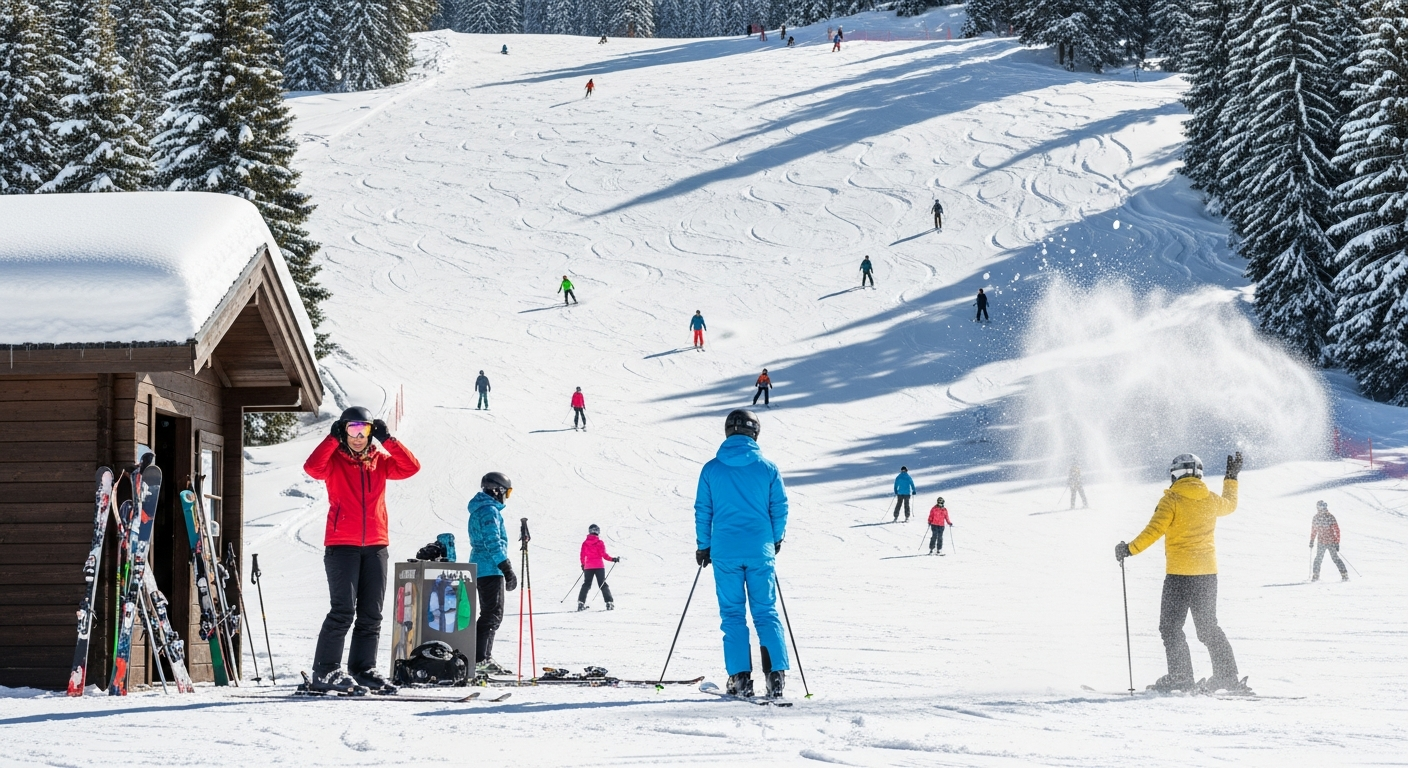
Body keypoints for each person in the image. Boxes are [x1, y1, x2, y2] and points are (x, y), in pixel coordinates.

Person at [304, 407, 421, 693]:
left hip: (376, 545)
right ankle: (326, 671)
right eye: (352, 430)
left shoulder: (379, 461)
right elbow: (311, 468)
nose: (358, 437)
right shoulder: (333, 460)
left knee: (372, 613)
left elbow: (411, 467)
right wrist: (330, 440)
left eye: (364, 431)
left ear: (372, 433)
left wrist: (389, 440)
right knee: (343, 611)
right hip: (341, 545)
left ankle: (363, 668)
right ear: (343, 431)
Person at [1116, 452, 1248, 694]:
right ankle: (1227, 677)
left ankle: (1181, 677)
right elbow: (1230, 505)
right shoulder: (1209, 499)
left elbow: (1153, 530)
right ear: (1198, 474)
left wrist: (1129, 549)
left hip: (1179, 576)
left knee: (1170, 628)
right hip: (1207, 575)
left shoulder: (1172, 500)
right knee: (1208, 628)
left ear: (1175, 474)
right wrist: (1231, 478)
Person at [695, 409, 790, 698]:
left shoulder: (712, 469)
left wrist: (704, 545)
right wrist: (774, 541)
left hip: (725, 552)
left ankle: (740, 678)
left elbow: (704, 510)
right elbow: (780, 507)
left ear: (728, 432)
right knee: (765, 611)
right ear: (755, 433)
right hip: (760, 551)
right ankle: (775, 677)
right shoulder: (768, 468)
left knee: (733, 615)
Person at [468, 472, 517, 675]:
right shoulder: (489, 511)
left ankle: (479, 658)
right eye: (507, 492)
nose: (506, 497)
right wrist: (506, 567)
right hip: (490, 568)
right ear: (497, 490)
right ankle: (481, 659)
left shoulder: (480, 509)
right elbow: (492, 541)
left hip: (481, 567)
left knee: (488, 614)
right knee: (492, 615)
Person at [577, 524, 620, 610]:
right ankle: (609, 603)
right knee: (602, 584)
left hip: (588, 567)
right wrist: (613, 559)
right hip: (599, 566)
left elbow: (582, 555)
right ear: (597, 531)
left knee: (586, 584)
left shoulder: (585, 543)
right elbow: (603, 555)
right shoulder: (599, 543)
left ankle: (581, 603)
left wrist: (583, 565)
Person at [1309, 501, 1348, 582]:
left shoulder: (1330, 517)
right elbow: (1314, 530)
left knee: (1335, 558)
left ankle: (1344, 575)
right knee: (1318, 559)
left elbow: (1337, 530)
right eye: (1320, 507)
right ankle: (1315, 576)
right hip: (1321, 542)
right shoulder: (1316, 518)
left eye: (1323, 507)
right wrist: (1312, 540)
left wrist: (1337, 542)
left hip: (1331, 542)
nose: (1322, 509)